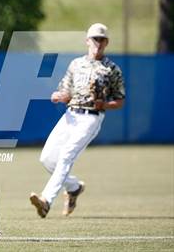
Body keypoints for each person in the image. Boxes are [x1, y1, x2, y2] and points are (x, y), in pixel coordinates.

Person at [29, 23, 125, 218]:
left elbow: (120, 100)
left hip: (91, 118)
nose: (98, 42)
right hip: (71, 114)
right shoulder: (76, 64)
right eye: (94, 38)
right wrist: (59, 95)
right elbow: (65, 91)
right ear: (87, 41)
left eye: (102, 39)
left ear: (106, 42)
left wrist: (104, 105)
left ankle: (46, 201)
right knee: (47, 158)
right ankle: (73, 187)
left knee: (65, 155)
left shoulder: (112, 69)